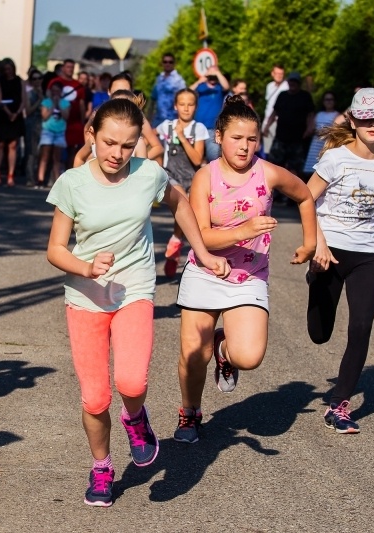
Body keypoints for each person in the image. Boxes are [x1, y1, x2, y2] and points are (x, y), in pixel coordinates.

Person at [46, 98, 229, 506]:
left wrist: (202, 250)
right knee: (95, 398)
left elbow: (180, 204)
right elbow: (55, 249)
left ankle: (135, 418)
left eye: (128, 146)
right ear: (91, 135)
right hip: (85, 297)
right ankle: (102, 470)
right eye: (110, 143)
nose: (117, 154)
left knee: (132, 382)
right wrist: (86, 267)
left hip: (134, 289)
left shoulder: (149, 174)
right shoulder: (72, 182)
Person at [174, 95, 317, 444]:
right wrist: (243, 231)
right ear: (219, 136)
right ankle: (190, 413)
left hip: (248, 276)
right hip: (205, 270)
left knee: (248, 357)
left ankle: (226, 350)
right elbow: (201, 236)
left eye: (252, 139)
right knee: (196, 353)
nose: (245, 146)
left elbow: (305, 195)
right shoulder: (204, 177)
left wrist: (311, 242)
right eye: (237, 138)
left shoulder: (267, 172)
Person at [305, 88, 374, 434]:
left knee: (362, 326)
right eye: (365, 118)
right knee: (319, 334)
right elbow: (306, 199)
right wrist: (317, 243)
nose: (372, 124)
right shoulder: (335, 159)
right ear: (352, 120)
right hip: (330, 251)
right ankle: (315, 282)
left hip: (367, 253)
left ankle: (339, 404)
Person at [156, 88, 209, 277]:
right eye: (182, 104)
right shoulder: (166, 126)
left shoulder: (199, 128)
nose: (186, 108)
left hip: (192, 177)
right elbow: (149, 139)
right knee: (183, 203)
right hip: (171, 175)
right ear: (175, 106)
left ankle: (176, 242)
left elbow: (197, 159)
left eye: (190, 104)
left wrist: (182, 137)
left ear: (195, 107)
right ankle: (177, 241)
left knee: (192, 215)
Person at [262, 71, 315, 179]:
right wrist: (267, 125)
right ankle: (275, 192)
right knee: (274, 166)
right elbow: (274, 112)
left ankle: (293, 194)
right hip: (281, 138)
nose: (293, 83)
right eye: (291, 81)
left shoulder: (305, 96)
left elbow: (311, 114)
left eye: (295, 81)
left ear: (299, 83)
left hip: (298, 139)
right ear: (288, 82)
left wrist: (309, 128)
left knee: (296, 170)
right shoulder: (282, 95)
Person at [0, 58, 26, 187]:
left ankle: (10, 174)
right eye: (5, 69)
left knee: (13, 145)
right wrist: (8, 112)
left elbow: (23, 99)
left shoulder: (20, 81)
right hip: (3, 114)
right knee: (0, 144)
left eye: (10, 69)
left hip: (16, 114)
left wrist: (17, 113)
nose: (8, 71)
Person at [189, 65, 228, 162]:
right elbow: (187, 92)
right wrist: (200, 80)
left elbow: (226, 86)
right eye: (210, 76)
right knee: (195, 157)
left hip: (213, 128)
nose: (212, 78)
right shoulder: (201, 87)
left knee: (213, 156)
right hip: (198, 127)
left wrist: (216, 72)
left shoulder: (219, 88)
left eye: (214, 76)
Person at [37, 81, 69, 188]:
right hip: (48, 131)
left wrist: (58, 104)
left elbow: (66, 116)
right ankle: (40, 179)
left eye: (58, 91)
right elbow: (44, 116)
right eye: (53, 91)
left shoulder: (65, 103)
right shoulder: (46, 102)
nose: (55, 93)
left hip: (60, 132)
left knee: (57, 159)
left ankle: (57, 181)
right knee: (44, 156)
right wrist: (52, 106)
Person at [302, 91, 342, 174]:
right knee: (311, 172)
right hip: (315, 146)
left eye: (331, 99)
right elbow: (311, 129)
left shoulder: (337, 115)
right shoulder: (319, 114)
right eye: (326, 99)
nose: (329, 102)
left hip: (327, 145)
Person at [150, 53, 185, 126]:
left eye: (170, 62)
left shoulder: (178, 80)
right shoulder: (159, 78)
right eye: (165, 62)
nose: (167, 64)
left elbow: (184, 99)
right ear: (162, 63)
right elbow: (153, 99)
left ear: (174, 63)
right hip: (158, 119)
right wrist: (149, 117)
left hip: (173, 119)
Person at [260, 63, 288, 156]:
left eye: (281, 74)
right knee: (267, 149)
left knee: (277, 150)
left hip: (277, 121)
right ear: (272, 73)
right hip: (267, 119)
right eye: (277, 73)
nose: (279, 76)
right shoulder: (270, 86)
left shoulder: (286, 86)